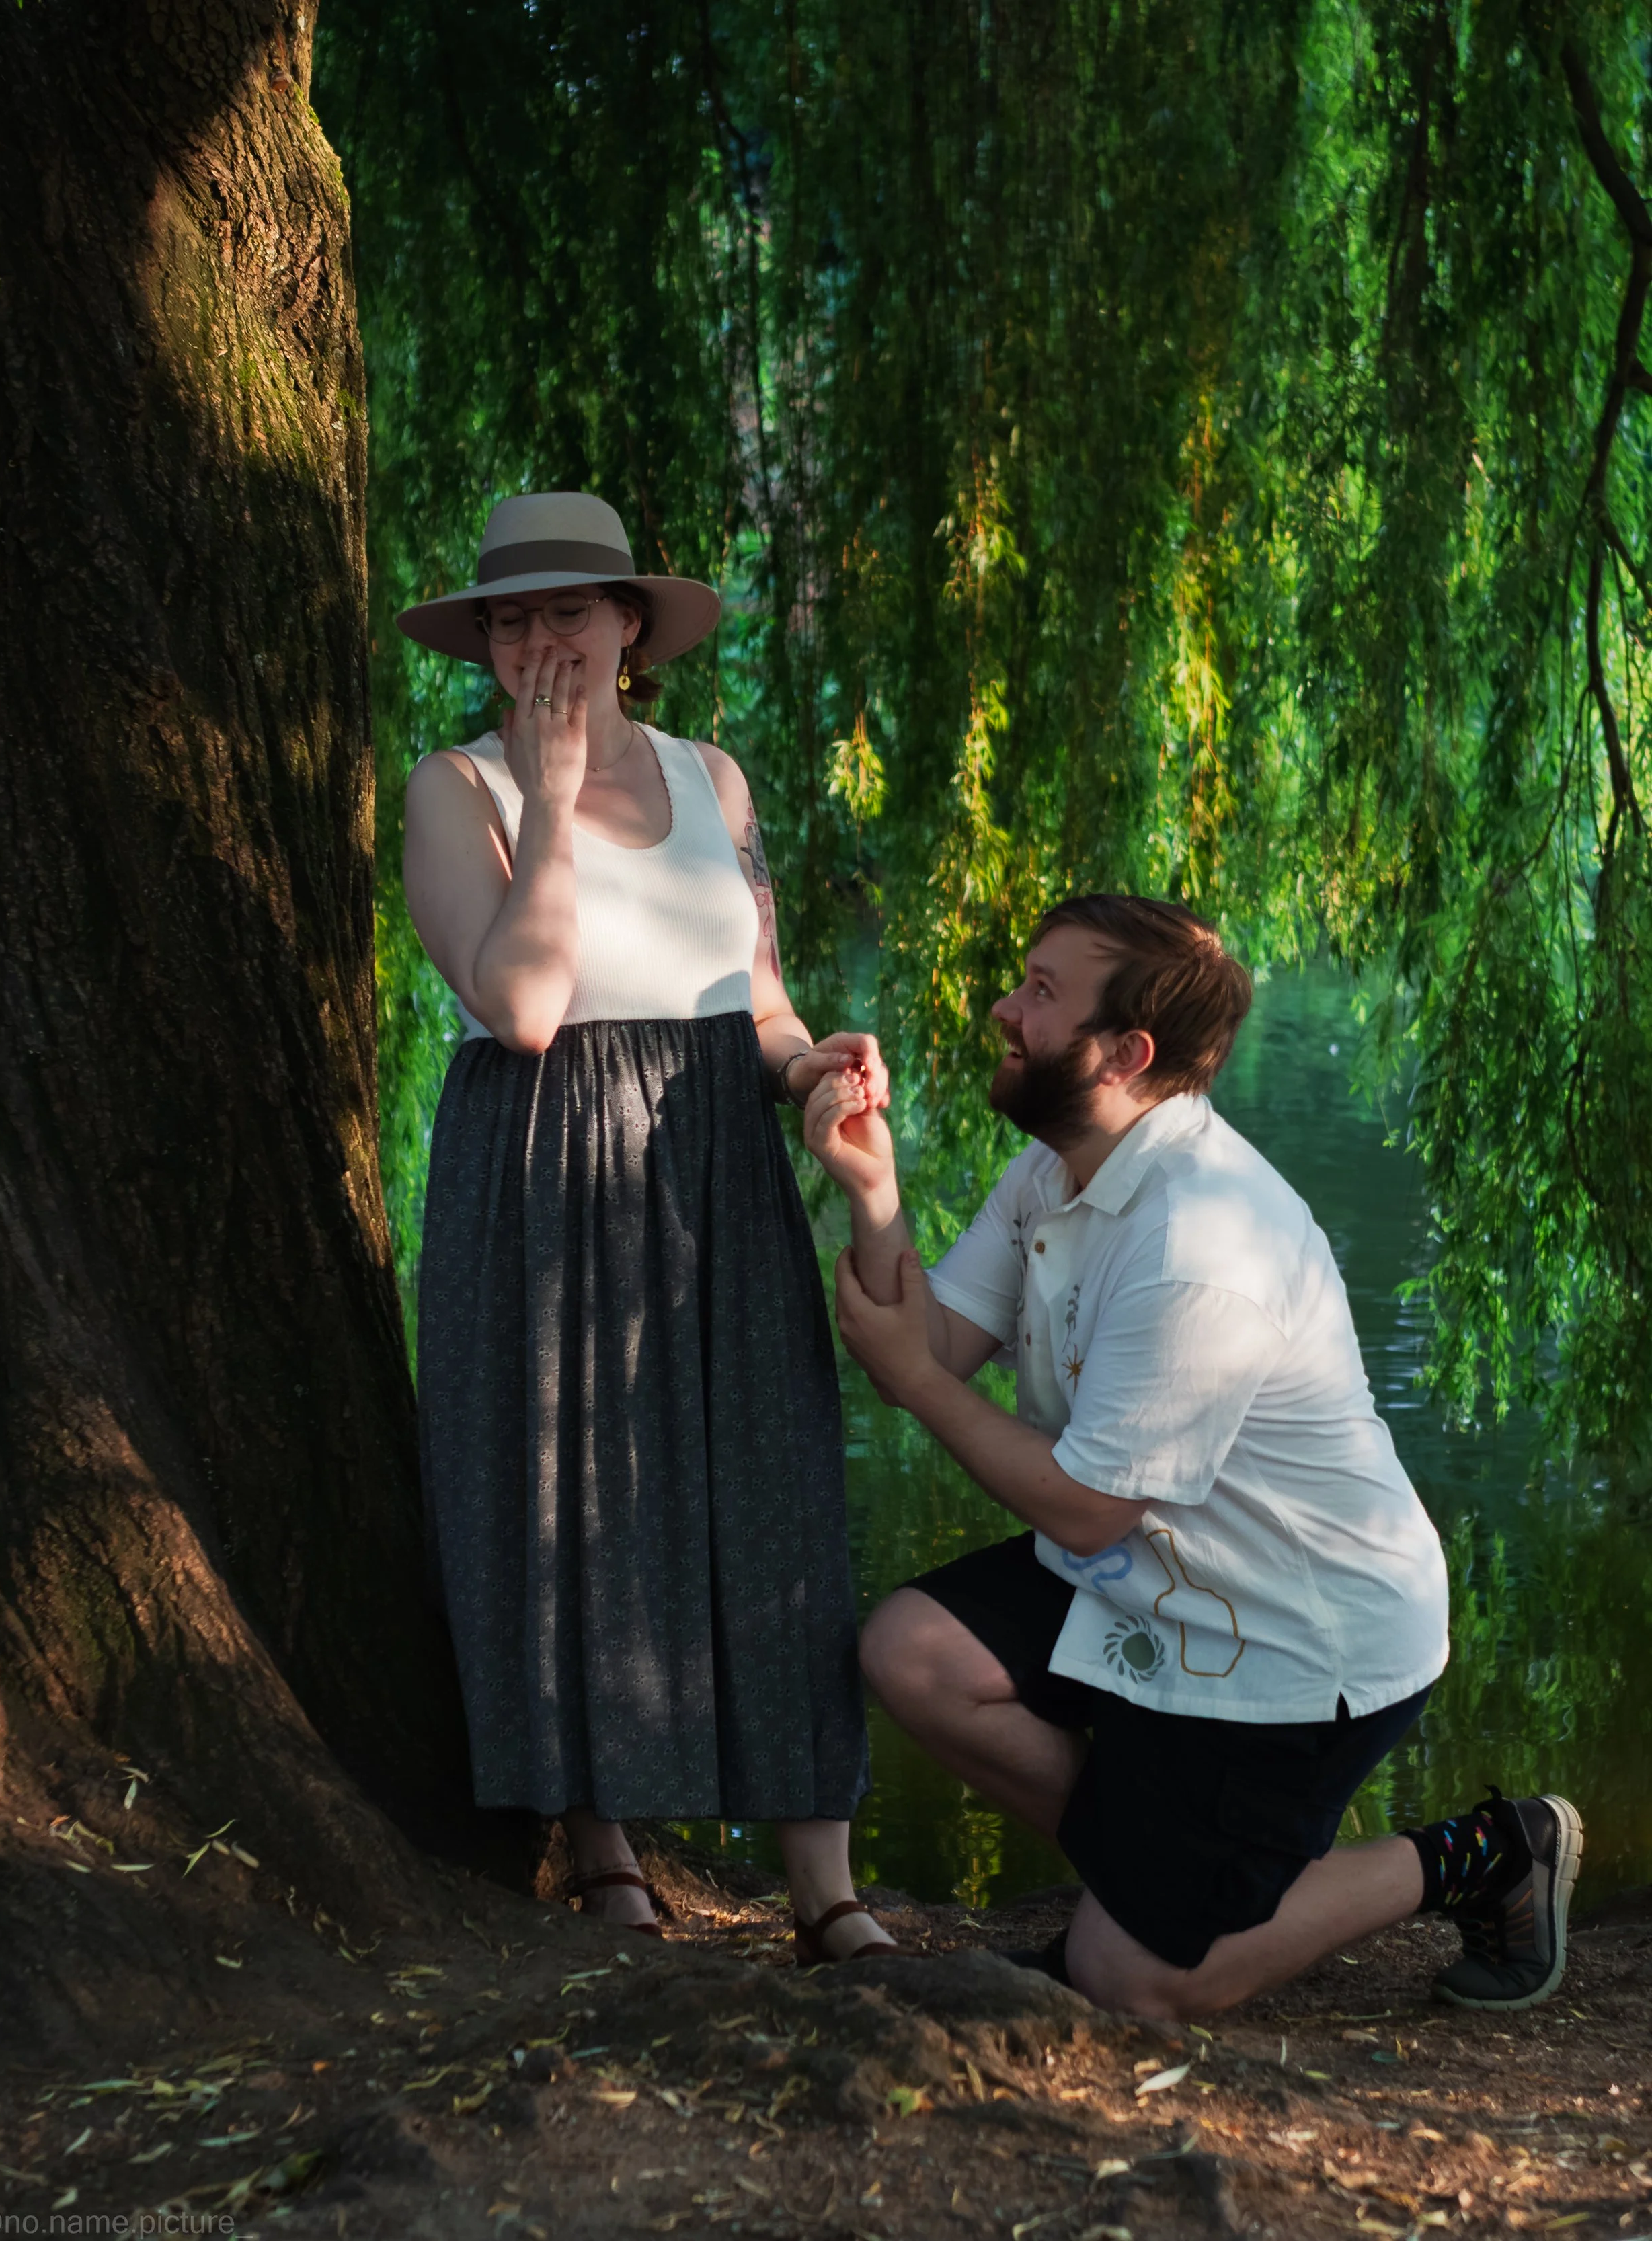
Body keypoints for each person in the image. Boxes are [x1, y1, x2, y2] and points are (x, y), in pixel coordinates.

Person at [802, 894, 1582, 2016]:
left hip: (1299, 1643)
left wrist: (921, 1384)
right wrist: (873, 1192)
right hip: (1158, 1579)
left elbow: (1077, 1508)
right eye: (1022, 981)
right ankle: (1166, 1869)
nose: (1001, 1011)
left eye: (1040, 994)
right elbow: (928, 1344)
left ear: (1127, 1054)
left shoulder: (1195, 1240)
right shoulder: (1060, 1172)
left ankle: (1489, 1853)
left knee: (1129, 1986)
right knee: (916, 1652)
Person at [399, 491, 894, 1963]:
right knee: (575, 1497)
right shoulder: (457, 789)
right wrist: (547, 800)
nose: (537, 638)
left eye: (567, 610)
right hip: (544, 1169)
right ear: (484, 642)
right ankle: (601, 1838)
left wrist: (811, 1065)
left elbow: (758, 1001)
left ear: (629, 625)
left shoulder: (715, 781)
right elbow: (528, 1008)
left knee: (773, 1478)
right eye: (509, 617)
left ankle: (825, 1879)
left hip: (713, 1169)